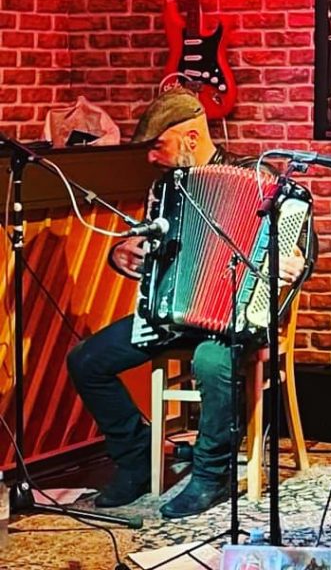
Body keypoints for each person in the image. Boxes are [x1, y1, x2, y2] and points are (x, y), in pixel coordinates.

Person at [67, 89, 310, 518]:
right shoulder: (166, 190)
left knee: (211, 362)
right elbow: (146, 250)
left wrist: (294, 261)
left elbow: (302, 247)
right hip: (174, 316)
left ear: (191, 138)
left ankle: (211, 474)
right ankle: (135, 458)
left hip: (238, 319)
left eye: (157, 145)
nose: (150, 157)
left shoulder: (258, 178)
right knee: (87, 360)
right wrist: (122, 255)